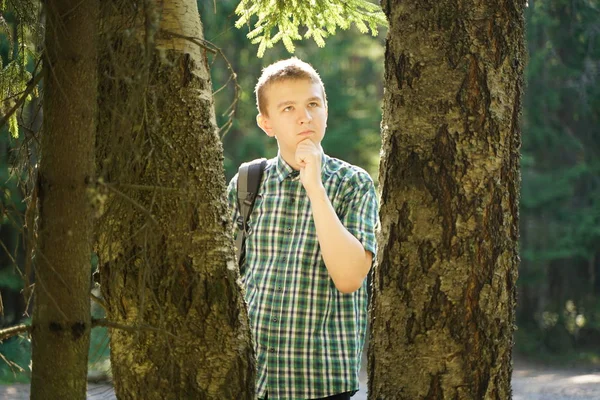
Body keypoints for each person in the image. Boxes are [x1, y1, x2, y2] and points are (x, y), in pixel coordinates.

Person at [227, 57, 378, 400]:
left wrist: (315, 187)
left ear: (326, 109)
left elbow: (350, 278)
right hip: (250, 380)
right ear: (267, 123)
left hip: (320, 383)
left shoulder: (352, 184)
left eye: (313, 104)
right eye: (288, 108)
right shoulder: (248, 182)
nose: (304, 116)